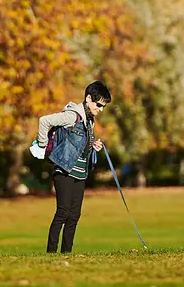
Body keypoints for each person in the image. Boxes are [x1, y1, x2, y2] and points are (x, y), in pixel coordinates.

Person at [36, 81, 111, 253]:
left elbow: (77, 144)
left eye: (103, 106)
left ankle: (66, 253)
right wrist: (42, 145)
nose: (100, 109)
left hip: (80, 172)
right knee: (63, 212)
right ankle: (51, 253)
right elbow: (44, 121)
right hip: (64, 170)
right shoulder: (72, 116)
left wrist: (93, 145)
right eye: (99, 105)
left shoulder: (89, 120)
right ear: (88, 98)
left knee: (74, 215)